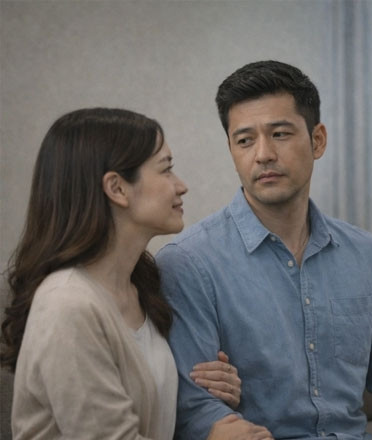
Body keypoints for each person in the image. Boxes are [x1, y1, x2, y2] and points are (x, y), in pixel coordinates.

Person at [155, 60, 372, 440]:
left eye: (279, 134)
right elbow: (197, 408)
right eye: (244, 140)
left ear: (317, 140)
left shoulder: (367, 255)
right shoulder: (188, 263)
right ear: (231, 149)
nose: (263, 154)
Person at [0, 108, 271, 439]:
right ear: (117, 188)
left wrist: (209, 387)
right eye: (166, 169)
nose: (181, 186)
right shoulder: (67, 304)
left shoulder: (142, 289)